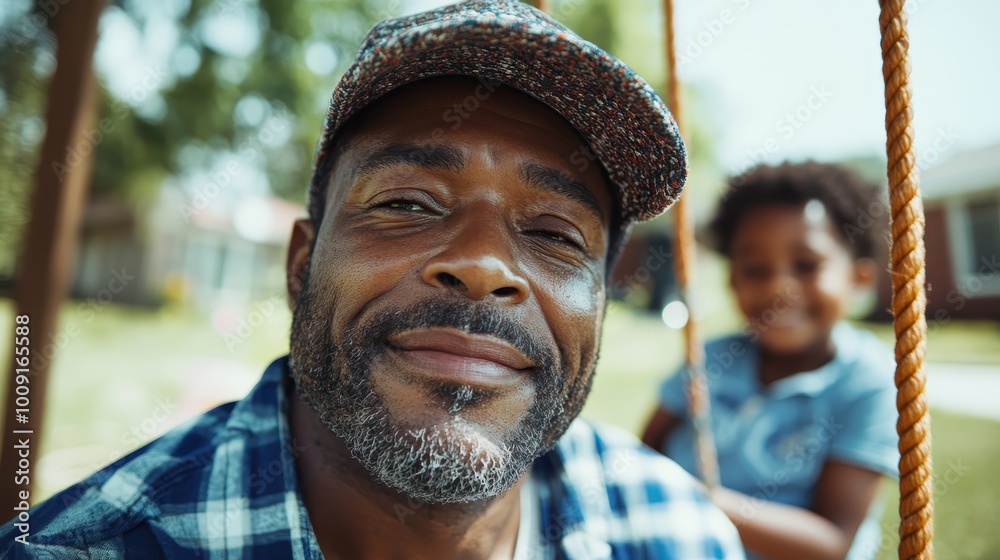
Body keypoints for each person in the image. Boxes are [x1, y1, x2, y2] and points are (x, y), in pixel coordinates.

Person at [0, 1, 745, 558]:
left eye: (554, 234)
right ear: (302, 263)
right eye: (408, 204)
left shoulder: (677, 532)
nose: (485, 265)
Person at [641, 162, 899, 560]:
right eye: (756, 269)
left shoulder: (867, 381)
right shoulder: (711, 359)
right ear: (733, 282)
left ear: (859, 278)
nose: (779, 287)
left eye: (807, 265)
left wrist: (698, 499)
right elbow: (647, 451)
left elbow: (832, 541)